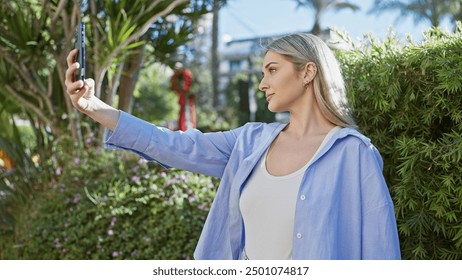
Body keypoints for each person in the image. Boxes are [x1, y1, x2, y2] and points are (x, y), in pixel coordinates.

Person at [65, 33, 401, 260]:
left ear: (307, 72)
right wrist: (93, 107)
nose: (262, 83)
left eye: (272, 69)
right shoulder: (248, 142)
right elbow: (172, 145)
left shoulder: (354, 154)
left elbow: (380, 252)